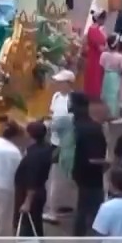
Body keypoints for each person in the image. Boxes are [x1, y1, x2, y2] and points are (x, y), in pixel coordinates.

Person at [13, 121, 53, 243]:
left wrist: (27, 202)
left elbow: (32, 182)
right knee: (36, 231)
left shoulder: (33, 157)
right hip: (38, 194)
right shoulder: (45, 149)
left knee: (26, 234)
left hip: (29, 197)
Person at [70, 93, 109, 237]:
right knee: (92, 209)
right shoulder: (93, 128)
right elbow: (95, 158)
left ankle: (78, 236)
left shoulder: (74, 125)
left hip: (78, 171)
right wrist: (109, 164)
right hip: (92, 176)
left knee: (82, 208)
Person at [43, 69, 76, 223]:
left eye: (61, 82)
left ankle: (56, 208)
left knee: (60, 178)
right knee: (54, 177)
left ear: (68, 83)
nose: (58, 85)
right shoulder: (56, 96)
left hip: (66, 143)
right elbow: (52, 114)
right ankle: (53, 207)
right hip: (54, 141)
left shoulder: (73, 100)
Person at [83, 12, 109, 97]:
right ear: (99, 19)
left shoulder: (95, 29)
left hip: (95, 56)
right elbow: (100, 48)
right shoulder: (94, 31)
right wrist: (108, 47)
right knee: (95, 76)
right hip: (95, 57)